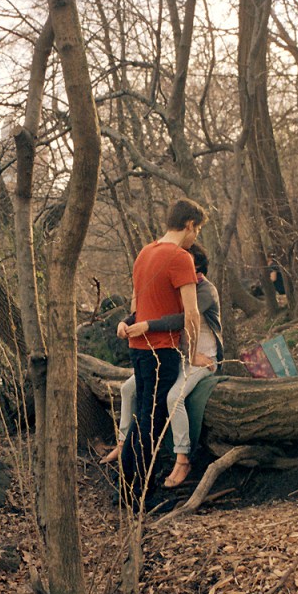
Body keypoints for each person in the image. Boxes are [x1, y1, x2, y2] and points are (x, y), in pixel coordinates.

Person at [102, 242, 223, 487]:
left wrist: (147, 327)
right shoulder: (177, 289)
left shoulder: (205, 291)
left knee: (173, 398)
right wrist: (126, 322)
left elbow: (182, 319)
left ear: (197, 267)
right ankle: (124, 444)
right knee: (128, 389)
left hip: (203, 357)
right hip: (179, 355)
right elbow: (152, 311)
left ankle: (182, 457)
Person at [113, 198, 207, 504]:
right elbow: (192, 314)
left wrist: (128, 322)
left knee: (142, 418)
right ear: (190, 225)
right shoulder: (181, 257)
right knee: (151, 423)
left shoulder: (145, 252)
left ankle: (126, 491)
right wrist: (192, 354)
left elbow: (137, 305)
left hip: (138, 349)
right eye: (198, 230)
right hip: (161, 351)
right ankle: (140, 496)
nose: (196, 237)